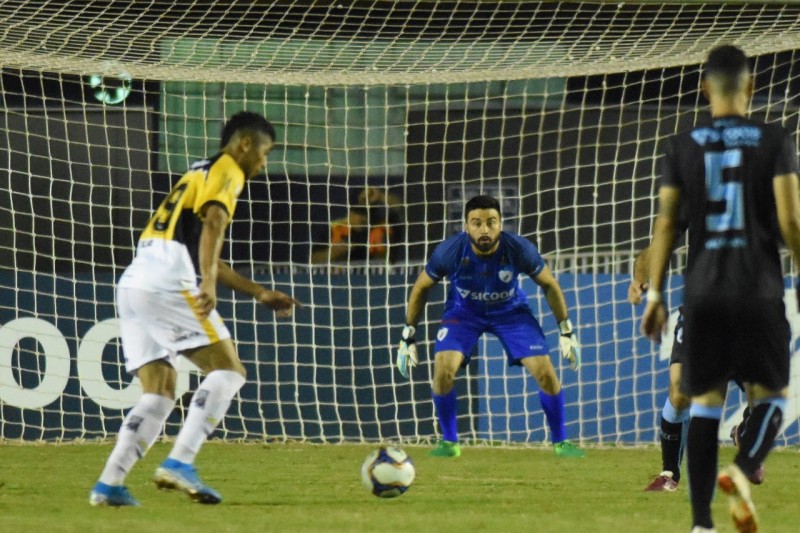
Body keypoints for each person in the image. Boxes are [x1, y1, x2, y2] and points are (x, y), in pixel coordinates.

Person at [89, 111, 301, 507]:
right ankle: (180, 462)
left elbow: (206, 250)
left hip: (135, 280)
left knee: (160, 392)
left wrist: (256, 292)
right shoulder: (227, 170)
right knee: (229, 370)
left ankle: (109, 485)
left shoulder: (196, 174)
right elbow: (215, 225)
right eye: (265, 152)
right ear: (244, 144)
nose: (264, 162)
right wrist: (204, 281)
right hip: (169, 279)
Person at [641, 45, 800, 532]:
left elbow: (666, 224)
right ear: (751, 87)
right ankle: (741, 466)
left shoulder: (682, 145)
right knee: (772, 395)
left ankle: (700, 525)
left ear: (704, 87)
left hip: (702, 293)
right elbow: (792, 220)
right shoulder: (775, 139)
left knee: (706, 401)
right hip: (758, 289)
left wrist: (655, 295)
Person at [396, 194, 585, 458]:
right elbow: (421, 287)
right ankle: (450, 443)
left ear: (500, 223)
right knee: (443, 368)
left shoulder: (519, 248)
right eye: (476, 223)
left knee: (544, 371)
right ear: (466, 226)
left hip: (510, 312)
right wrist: (408, 336)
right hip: (463, 313)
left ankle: (561, 442)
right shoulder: (450, 251)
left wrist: (566, 330)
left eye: (491, 222)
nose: (484, 230)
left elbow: (549, 284)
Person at [630, 247, 764, 493]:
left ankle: (745, 433)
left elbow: (791, 228)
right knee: (680, 391)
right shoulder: (695, 209)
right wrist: (640, 277)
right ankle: (669, 472)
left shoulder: (762, 211)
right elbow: (662, 236)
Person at [310, 203, 393, 264]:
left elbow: (386, 260)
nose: (362, 218)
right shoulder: (333, 229)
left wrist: (379, 252)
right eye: (358, 213)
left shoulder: (377, 231)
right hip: (336, 277)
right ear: (350, 214)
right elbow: (313, 260)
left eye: (366, 214)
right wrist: (332, 252)